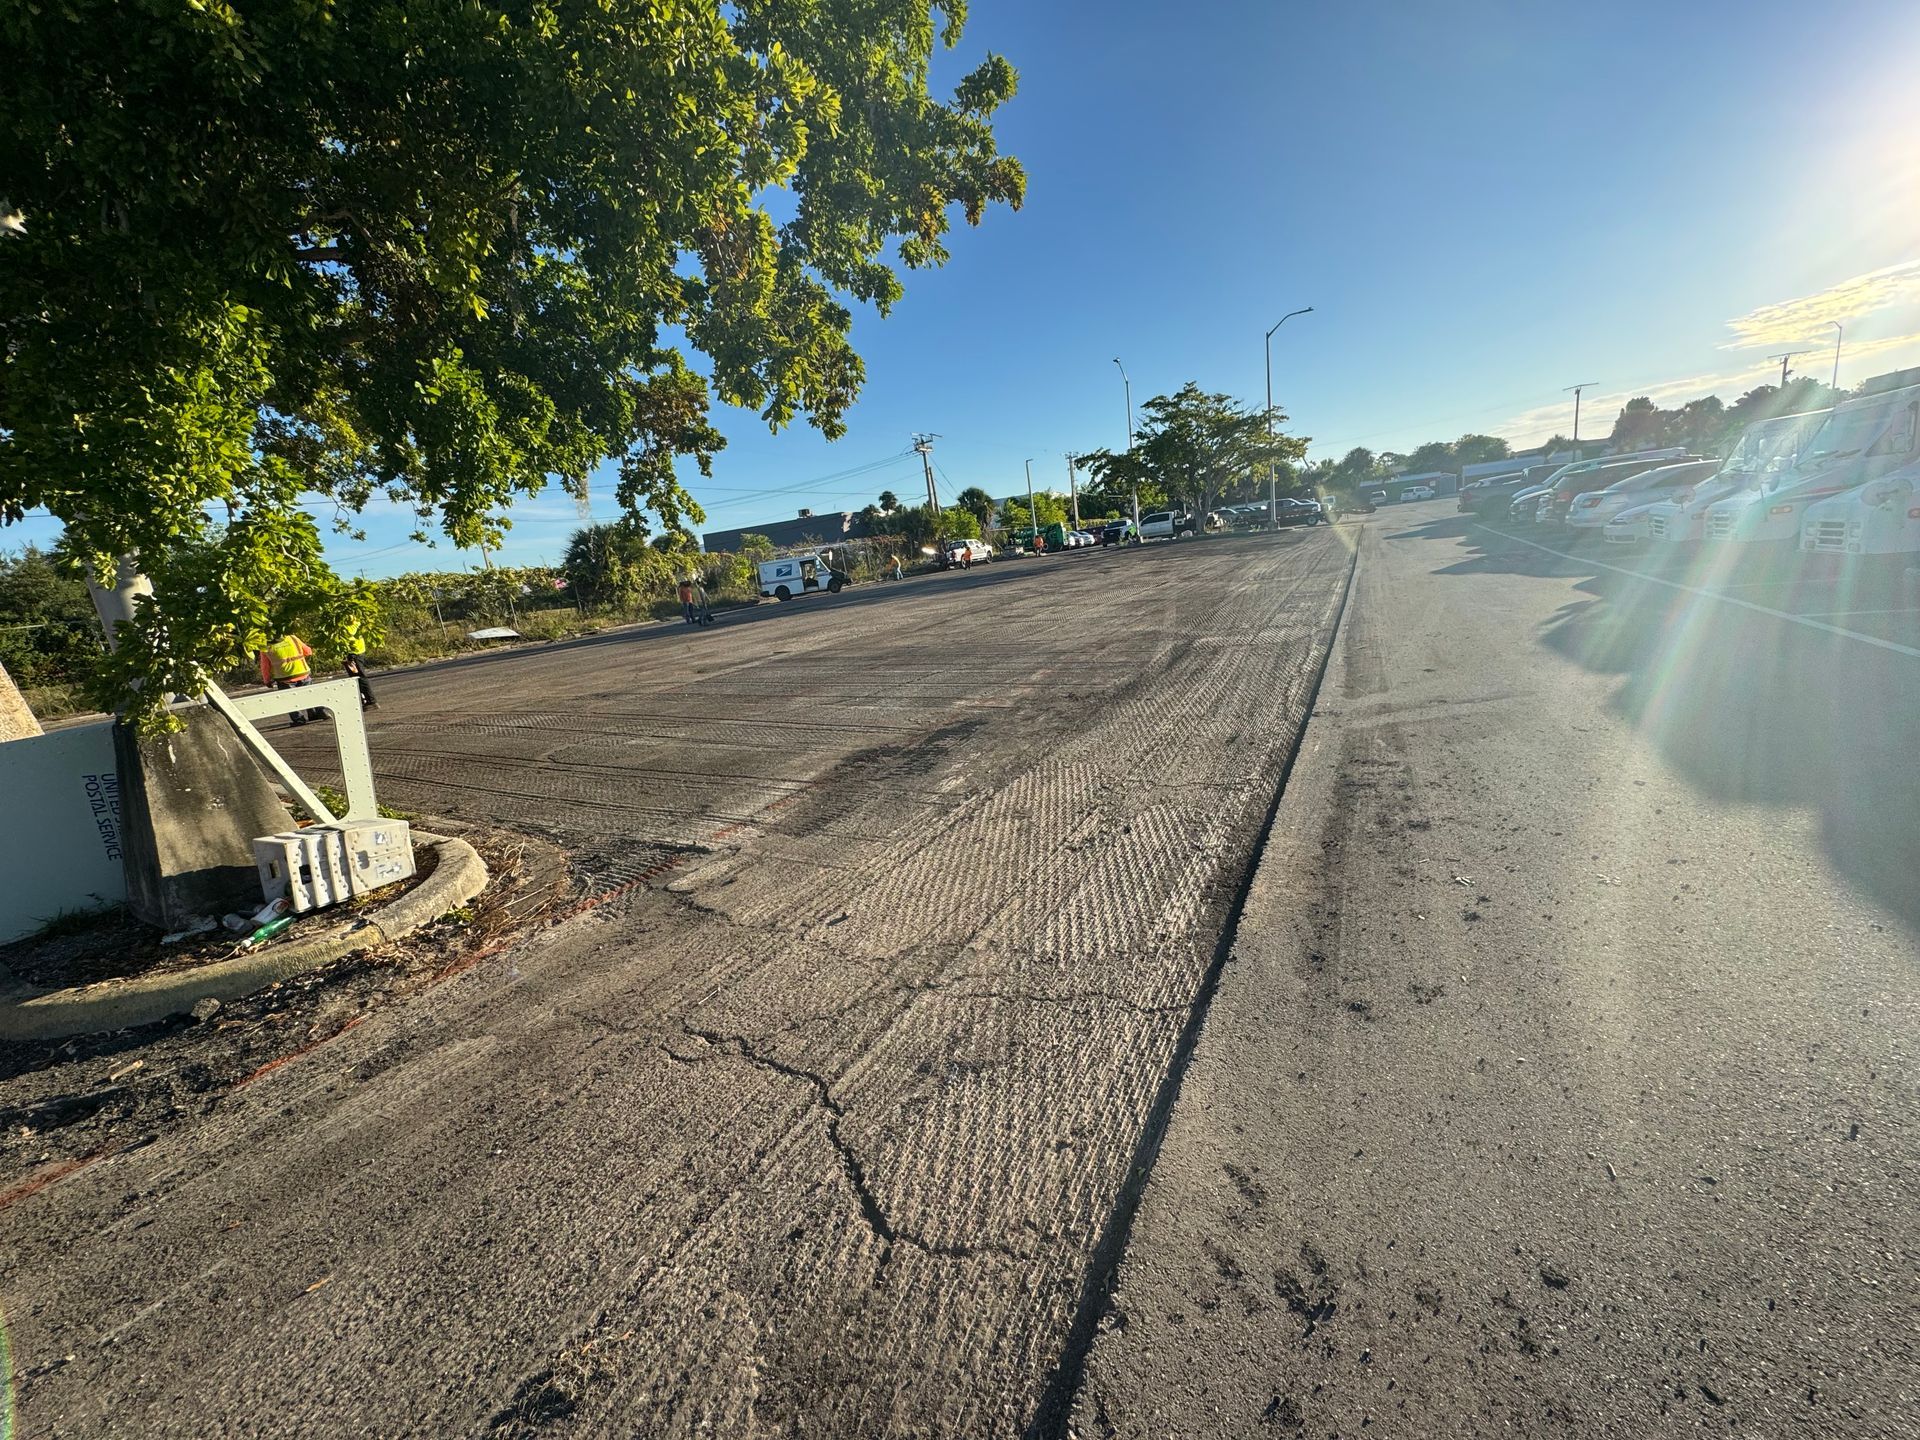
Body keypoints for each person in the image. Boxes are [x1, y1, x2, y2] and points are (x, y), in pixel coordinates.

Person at [258, 632, 323, 726]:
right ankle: (315, 713)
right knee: (309, 695)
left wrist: (267, 680)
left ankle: (299, 719)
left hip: (284, 678)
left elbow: (265, 666)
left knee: (290, 700)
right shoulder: (292, 638)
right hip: (302, 672)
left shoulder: (264, 647)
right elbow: (308, 651)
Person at [342, 645, 378, 710]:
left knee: (360, 677)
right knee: (356, 677)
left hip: (354, 652)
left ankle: (371, 701)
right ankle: (365, 700)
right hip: (355, 651)